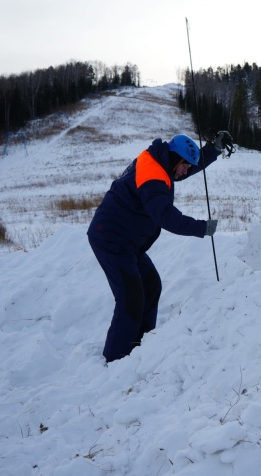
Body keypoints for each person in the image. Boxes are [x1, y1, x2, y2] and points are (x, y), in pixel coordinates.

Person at [87, 131, 234, 362]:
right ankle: (116, 359)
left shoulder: (161, 160)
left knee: (151, 286)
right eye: (184, 166)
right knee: (131, 299)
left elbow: (186, 168)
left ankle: (141, 346)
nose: (185, 172)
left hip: (128, 241)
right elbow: (166, 217)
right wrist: (201, 227)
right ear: (175, 159)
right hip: (111, 239)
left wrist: (213, 150)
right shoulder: (154, 175)